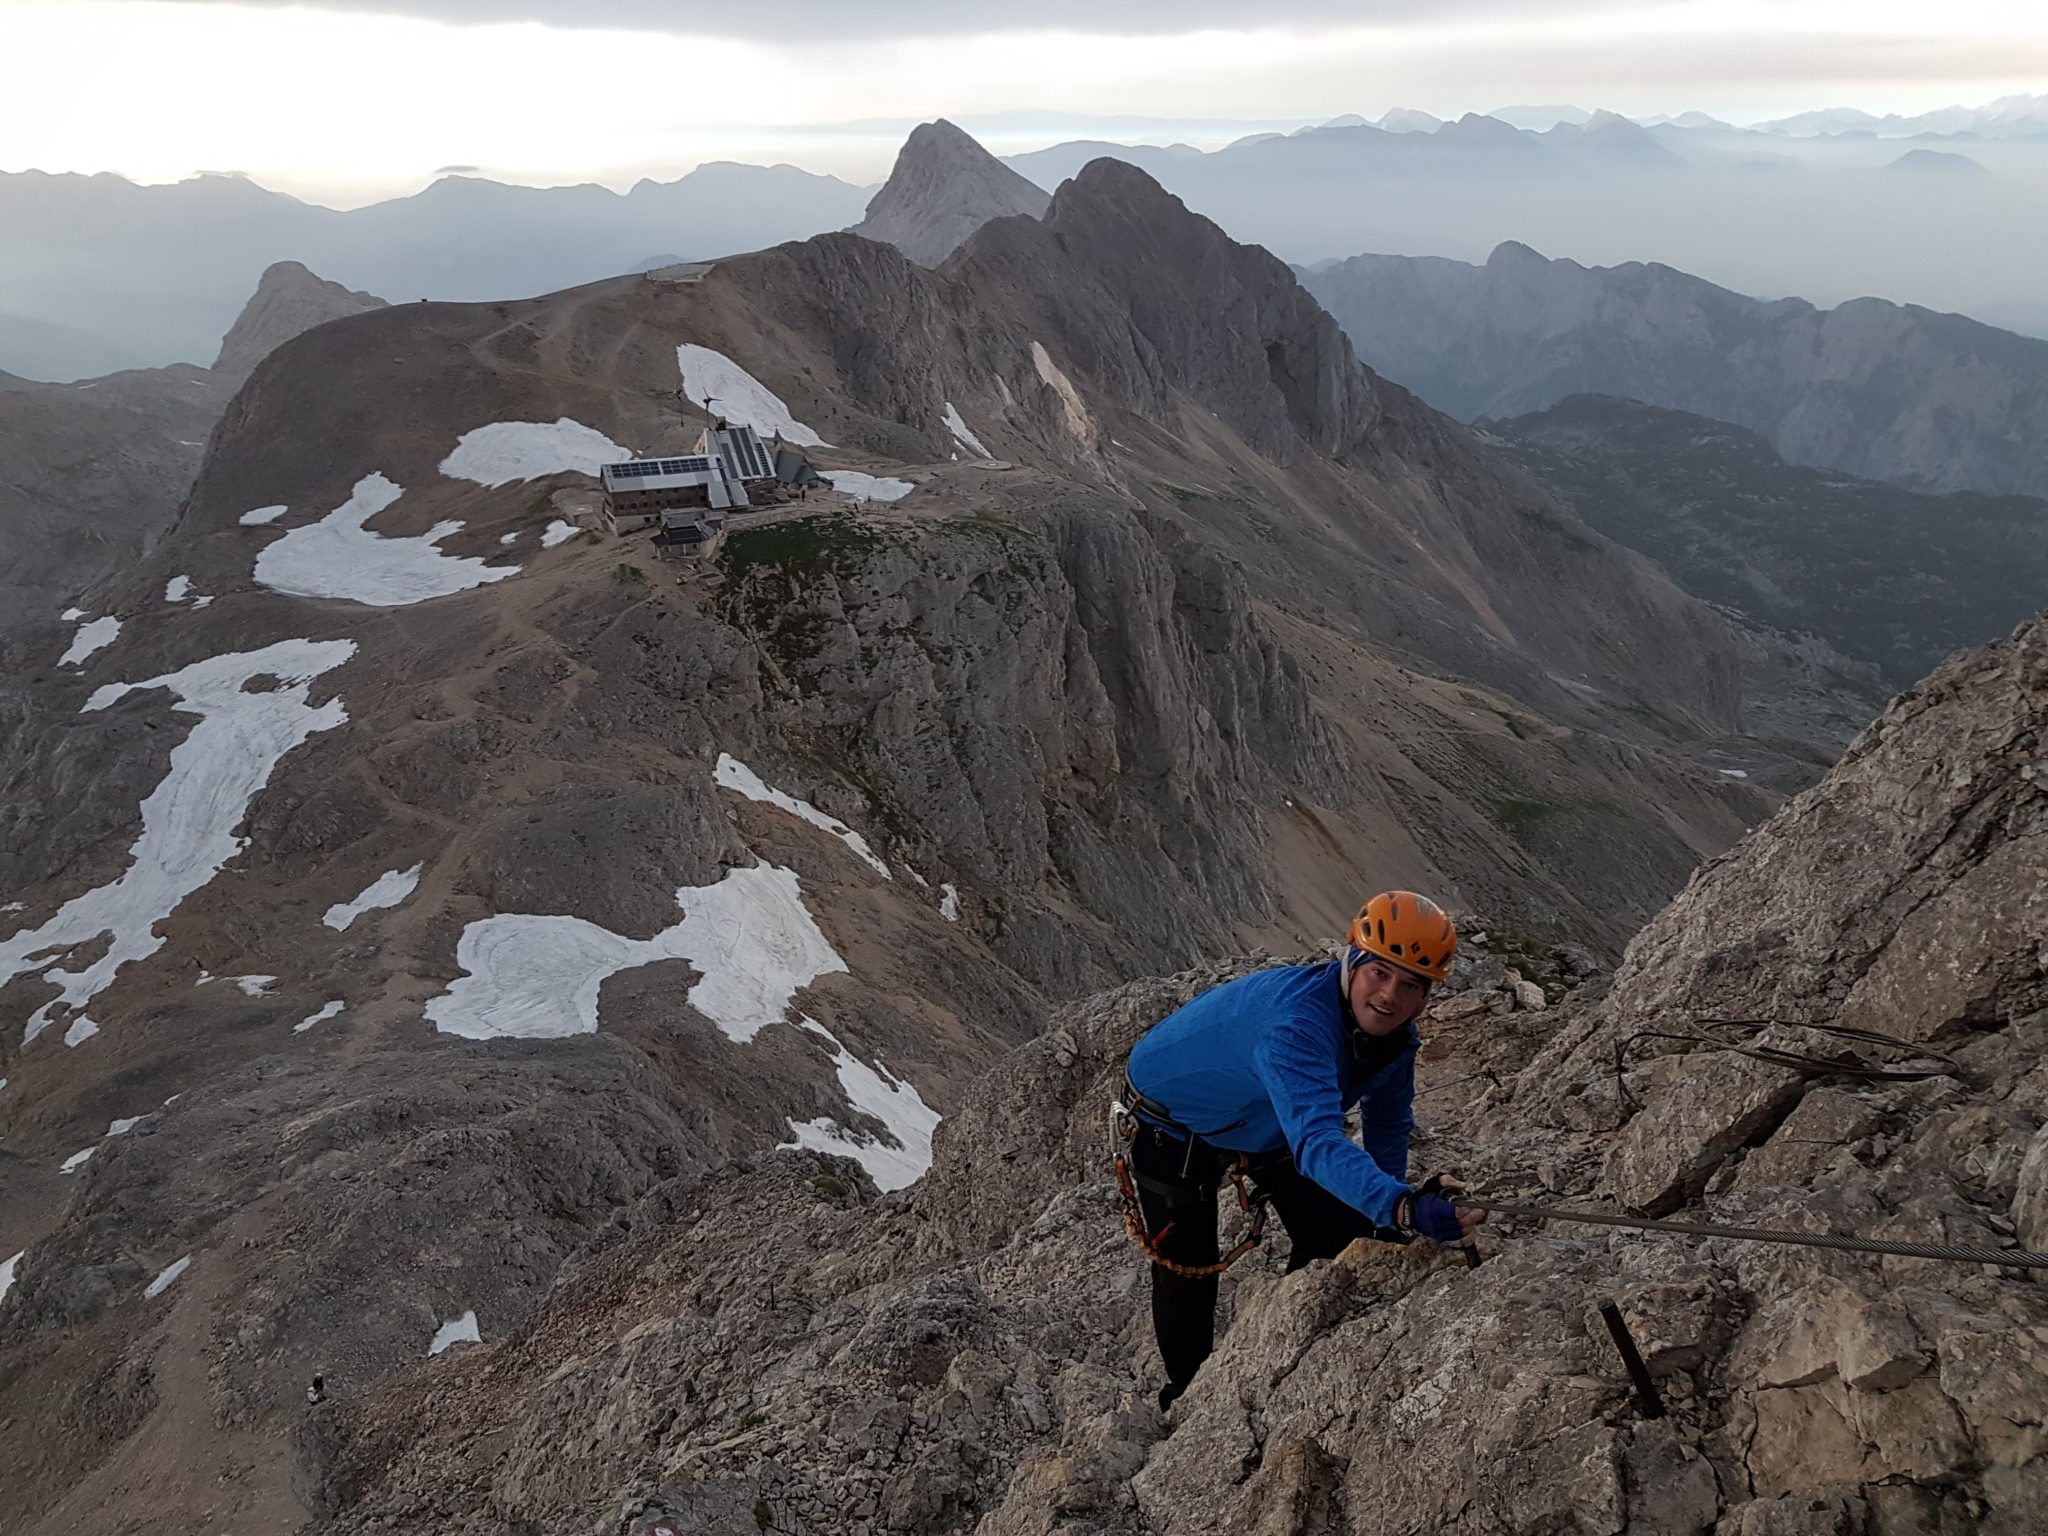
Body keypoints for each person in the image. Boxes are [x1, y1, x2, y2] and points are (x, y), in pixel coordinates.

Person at [1119, 890, 1486, 1409]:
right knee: (1185, 1266)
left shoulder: (1394, 1040)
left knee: (1342, 1233)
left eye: (1410, 985)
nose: (1389, 996)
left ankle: (1275, 1341)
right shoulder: (1298, 1026)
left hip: (1267, 1113)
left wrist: (1390, 1212)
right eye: (1379, 973)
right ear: (1353, 962)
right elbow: (1315, 1143)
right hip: (1174, 1122)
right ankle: (1186, 1396)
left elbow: (1388, 1121)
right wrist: (1402, 1205)